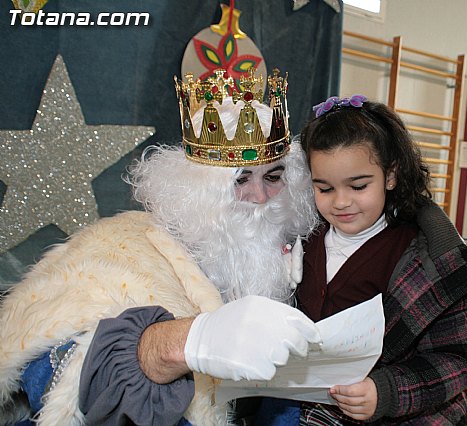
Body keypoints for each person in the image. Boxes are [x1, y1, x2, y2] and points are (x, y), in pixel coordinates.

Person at [0, 69, 321, 425]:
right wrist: (174, 345)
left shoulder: (301, 255)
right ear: (196, 189)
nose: (261, 197)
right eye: (240, 180)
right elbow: (53, 368)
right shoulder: (118, 246)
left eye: (273, 177)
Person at [266, 95, 467, 424]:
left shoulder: (426, 259)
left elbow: (458, 361)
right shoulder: (304, 237)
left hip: (400, 413)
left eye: (358, 186)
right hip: (313, 406)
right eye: (325, 189)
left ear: (390, 176)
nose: (341, 202)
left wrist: (386, 392)